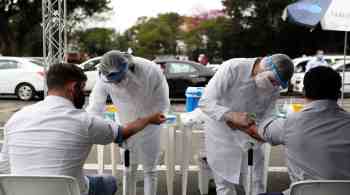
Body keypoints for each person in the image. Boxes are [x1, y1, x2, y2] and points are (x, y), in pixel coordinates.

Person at [0, 63, 166, 195]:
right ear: (73, 88)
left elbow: (4, 168)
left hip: (21, 191)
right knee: (109, 182)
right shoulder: (84, 121)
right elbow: (124, 132)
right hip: (69, 191)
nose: (84, 93)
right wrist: (149, 119)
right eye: (82, 88)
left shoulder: (15, 119)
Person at [198, 54, 294, 195]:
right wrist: (231, 116)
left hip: (251, 134)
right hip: (222, 134)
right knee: (225, 184)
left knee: (256, 181)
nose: (274, 87)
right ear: (264, 67)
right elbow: (205, 102)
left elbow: (269, 112)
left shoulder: (274, 87)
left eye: (277, 84)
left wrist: (266, 131)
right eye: (273, 81)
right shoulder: (232, 68)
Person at [245, 66, 350, 195]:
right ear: (338, 94)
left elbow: (254, 131)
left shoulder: (289, 123)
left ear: (304, 92)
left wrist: (230, 116)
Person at [87, 50, 170, 195]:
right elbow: (95, 106)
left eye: (119, 80)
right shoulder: (103, 76)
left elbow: (162, 103)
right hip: (125, 126)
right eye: (113, 81)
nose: (116, 84)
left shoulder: (151, 71)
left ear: (128, 69)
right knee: (128, 169)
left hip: (151, 125)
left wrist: (151, 119)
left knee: (150, 170)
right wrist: (98, 128)